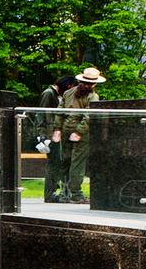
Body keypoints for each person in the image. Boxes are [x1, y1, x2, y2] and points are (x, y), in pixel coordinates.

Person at [54, 66, 104, 203]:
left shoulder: (68, 92)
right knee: (77, 163)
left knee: (66, 161)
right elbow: (88, 116)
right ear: (94, 84)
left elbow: (59, 111)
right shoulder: (93, 96)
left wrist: (58, 128)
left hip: (66, 128)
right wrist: (79, 132)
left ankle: (65, 193)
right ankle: (75, 194)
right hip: (79, 131)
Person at [35, 73, 73, 202]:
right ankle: (50, 194)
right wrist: (42, 135)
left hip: (55, 133)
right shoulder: (48, 93)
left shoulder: (54, 94)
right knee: (53, 164)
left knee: (59, 163)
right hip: (50, 134)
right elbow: (41, 114)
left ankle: (58, 192)